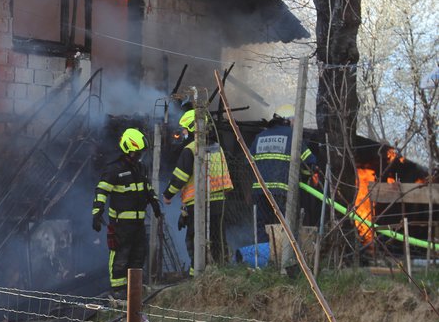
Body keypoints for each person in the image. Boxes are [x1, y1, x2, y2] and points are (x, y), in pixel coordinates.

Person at [92, 127, 161, 297]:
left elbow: (146, 187)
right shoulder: (113, 169)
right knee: (119, 258)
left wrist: (154, 201)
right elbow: (102, 191)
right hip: (121, 225)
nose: (139, 156)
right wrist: (97, 212)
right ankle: (118, 291)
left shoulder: (139, 168)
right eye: (136, 153)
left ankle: (134, 291)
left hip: (138, 223)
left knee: (138, 255)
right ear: (127, 149)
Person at [162, 109, 234, 268]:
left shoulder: (190, 149)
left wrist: (167, 195)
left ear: (193, 128)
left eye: (185, 129)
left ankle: (198, 271)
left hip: (199, 203)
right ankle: (221, 268)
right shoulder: (217, 147)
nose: (183, 132)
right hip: (219, 201)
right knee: (218, 239)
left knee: (196, 238)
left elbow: (180, 177)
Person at [249, 104, 318, 240]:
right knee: (283, 225)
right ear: (289, 120)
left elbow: (249, 162)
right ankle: (282, 256)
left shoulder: (260, 136)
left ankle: (264, 256)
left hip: (259, 191)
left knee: (262, 226)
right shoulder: (293, 136)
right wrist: (306, 176)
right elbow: (309, 161)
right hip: (281, 192)